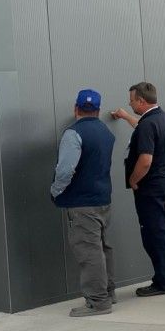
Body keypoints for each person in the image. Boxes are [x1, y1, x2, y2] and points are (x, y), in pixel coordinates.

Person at [51, 88, 118, 317]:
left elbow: (65, 170)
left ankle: (98, 302)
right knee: (102, 247)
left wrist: (55, 191)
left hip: (81, 203)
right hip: (103, 198)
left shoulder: (73, 134)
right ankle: (108, 293)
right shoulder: (106, 132)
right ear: (98, 111)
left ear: (75, 108)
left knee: (89, 251)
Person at [112, 81, 165, 296]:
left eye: (131, 100)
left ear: (141, 101)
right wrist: (125, 117)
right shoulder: (163, 119)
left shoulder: (147, 125)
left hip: (150, 188)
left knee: (153, 234)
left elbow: (145, 160)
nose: (130, 103)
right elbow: (143, 129)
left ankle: (163, 282)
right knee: (163, 230)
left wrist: (133, 180)